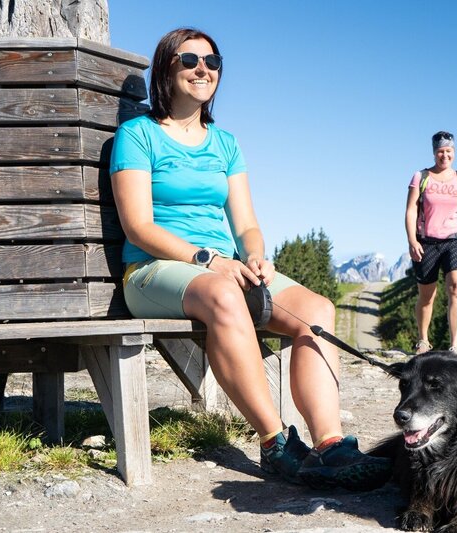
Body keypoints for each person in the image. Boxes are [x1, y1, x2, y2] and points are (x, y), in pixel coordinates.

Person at [109, 27, 390, 490]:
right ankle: (275, 443)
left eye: (213, 62)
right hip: (153, 270)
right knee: (222, 293)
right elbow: (139, 226)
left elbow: (246, 225)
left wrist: (256, 256)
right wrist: (207, 259)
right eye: (191, 59)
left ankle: (330, 446)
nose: (204, 69)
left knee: (317, 310)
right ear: (166, 67)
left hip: (222, 268)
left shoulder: (225, 144)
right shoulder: (138, 135)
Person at [404, 131, 457, 356]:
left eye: (448, 151)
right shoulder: (421, 177)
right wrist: (412, 240)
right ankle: (423, 340)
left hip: (455, 242)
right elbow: (410, 211)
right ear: (434, 152)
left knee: (456, 287)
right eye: (440, 151)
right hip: (426, 242)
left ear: (454, 153)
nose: (444, 155)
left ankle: (455, 346)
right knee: (427, 296)